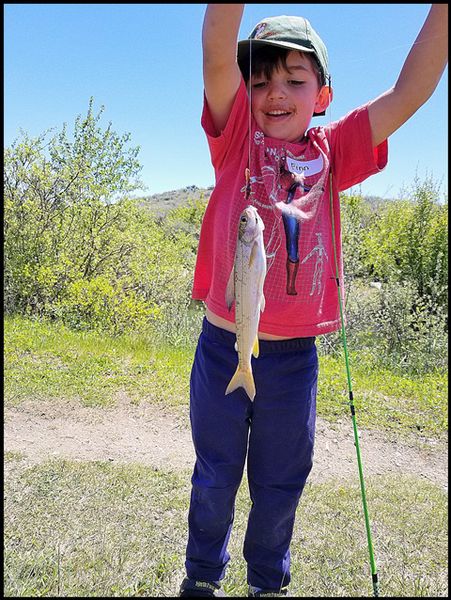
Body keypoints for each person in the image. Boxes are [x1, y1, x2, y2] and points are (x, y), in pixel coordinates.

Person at [179, 4, 448, 597]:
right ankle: (200, 580)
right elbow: (217, 44)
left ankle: (266, 584)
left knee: (281, 482)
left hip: (296, 358)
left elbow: (412, 91)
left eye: (294, 79)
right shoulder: (233, 140)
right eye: (261, 80)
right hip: (225, 346)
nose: (275, 92)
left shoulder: (337, 151)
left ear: (322, 94)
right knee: (216, 475)